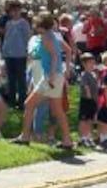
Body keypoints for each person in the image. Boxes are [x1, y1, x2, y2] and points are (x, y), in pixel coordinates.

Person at [12, 13, 74, 149]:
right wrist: (63, 71)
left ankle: (25, 136)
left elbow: (54, 57)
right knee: (58, 110)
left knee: (28, 104)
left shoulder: (46, 37)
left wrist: (51, 76)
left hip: (50, 77)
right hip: (57, 76)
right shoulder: (53, 36)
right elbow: (65, 52)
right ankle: (67, 140)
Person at [2, 1, 31, 109]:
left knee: (21, 79)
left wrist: (28, 52)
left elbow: (27, 38)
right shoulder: (8, 23)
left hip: (20, 54)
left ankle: (22, 101)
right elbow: (6, 38)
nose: (14, 13)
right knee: (11, 79)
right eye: (12, 11)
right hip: (9, 55)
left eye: (17, 10)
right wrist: (4, 51)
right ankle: (11, 101)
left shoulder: (24, 23)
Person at [78, 53, 99, 148]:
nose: (92, 64)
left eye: (93, 62)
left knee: (90, 119)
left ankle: (88, 136)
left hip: (93, 100)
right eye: (90, 63)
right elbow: (85, 86)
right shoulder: (84, 75)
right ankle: (82, 137)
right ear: (84, 64)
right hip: (86, 100)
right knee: (84, 119)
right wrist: (89, 96)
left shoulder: (94, 74)